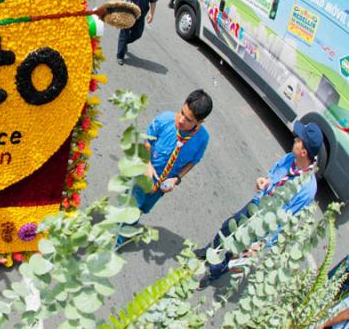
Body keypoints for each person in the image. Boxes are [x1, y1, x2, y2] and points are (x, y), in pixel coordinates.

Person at [196, 121, 322, 287]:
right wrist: (264, 182)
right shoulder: (290, 158)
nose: (295, 139)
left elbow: (287, 220)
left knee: (237, 249)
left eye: (299, 140)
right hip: (256, 205)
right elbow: (273, 174)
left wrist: (261, 244)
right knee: (227, 228)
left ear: (304, 151)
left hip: (264, 224)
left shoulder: (307, 188)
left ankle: (214, 273)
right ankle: (209, 251)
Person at [116, 90, 212, 246]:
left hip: (160, 186)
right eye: (182, 112)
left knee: (142, 208)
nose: (181, 120)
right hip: (143, 174)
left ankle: (129, 227)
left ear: (200, 123)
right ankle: (115, 241)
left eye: (188, 120)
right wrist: (147, 164)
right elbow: (146, 142)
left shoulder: (202, 139)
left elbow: (194, 161)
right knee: (131, 205)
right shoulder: (165, 120)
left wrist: (177, 178)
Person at [114, 0, 157, 65]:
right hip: (127, 12)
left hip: (140, 14)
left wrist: (152, 13)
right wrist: (115, 3)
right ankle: (120, 55)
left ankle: (123, 44)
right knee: (124, 33)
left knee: (137, 34)